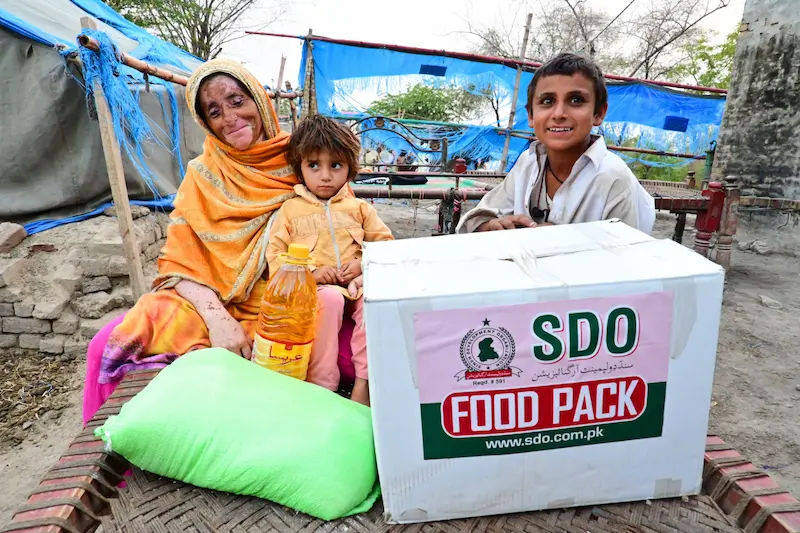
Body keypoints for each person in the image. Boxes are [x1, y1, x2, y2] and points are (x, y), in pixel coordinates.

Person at [83, 59, 299, 424]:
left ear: (260, 100)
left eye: (236, 100)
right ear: (205, 123)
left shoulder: (303, 159)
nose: (229, 118)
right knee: (106, 343)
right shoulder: (202, 174)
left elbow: (339, 225)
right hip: (207, 300)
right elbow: (179, 263)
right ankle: (113, 463)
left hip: (280, 300)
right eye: (214, 111)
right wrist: (217, 319)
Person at [266, 116, 394, 405]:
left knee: (374, 305)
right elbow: (276, 257)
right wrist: (311, 273)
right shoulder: (290, 211)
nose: (325, 176)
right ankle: (322, 385)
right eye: (314, 165)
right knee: (330, 301)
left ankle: (364, 383)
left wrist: (362, 267)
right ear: (299, 167)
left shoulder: (359, 208)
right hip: (317, 292)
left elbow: (385, 246)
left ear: (350, 168)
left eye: (335, 165)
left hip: (359, 285)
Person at [456, 53, 655, 234]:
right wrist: (491, 226)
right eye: (548, 101)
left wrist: (557, 240)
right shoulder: (528, 163)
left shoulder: (614, 179)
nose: (559, 114)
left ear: (599, 113)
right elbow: (479, 218)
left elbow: (625, 260)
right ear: (531, 116)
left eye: (576, 100)